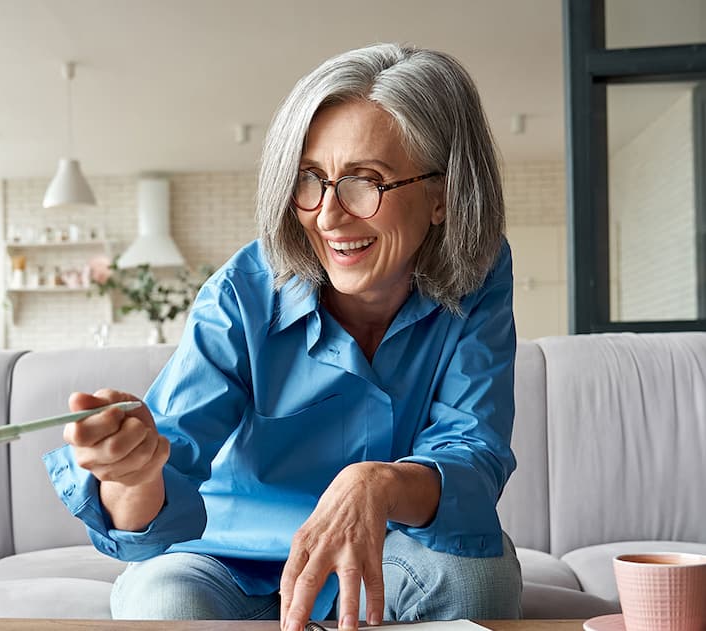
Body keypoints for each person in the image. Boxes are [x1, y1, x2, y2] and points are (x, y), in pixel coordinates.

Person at [44, 43, 522, 627]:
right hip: (222, 557)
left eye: (364, 182)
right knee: (164, 599)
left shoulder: (479, 275)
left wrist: (379, 483)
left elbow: (473, 454)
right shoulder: (241, 293)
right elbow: (161, 487)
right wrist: (134, 473)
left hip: (387, 550)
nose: (327, 216)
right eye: (310, 180)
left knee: (478, 575)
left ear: (442, 195)